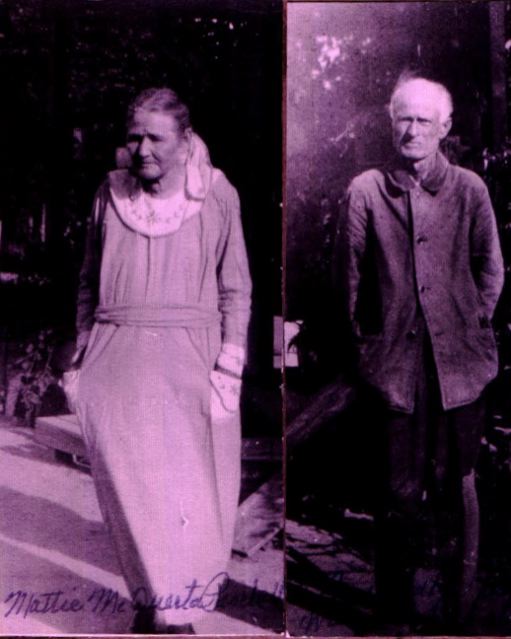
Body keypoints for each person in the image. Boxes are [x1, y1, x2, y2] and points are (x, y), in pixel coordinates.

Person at [71, 87, 252, 634]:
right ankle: (154, 603)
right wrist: (82, 349)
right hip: (117, 356)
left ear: (185, 140)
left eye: (156, 137)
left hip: (191, 356)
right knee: (131, 488)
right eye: (134, 137)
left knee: (191, 489)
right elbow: (87, 279)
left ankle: (179, 610)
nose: (143, 149)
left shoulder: (216, 194)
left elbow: (236, 287)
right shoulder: (109, 194)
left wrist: (230, 363)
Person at [338, 74, 504, 631]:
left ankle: (460, 611)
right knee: (397, 495)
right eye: (402, 119)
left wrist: (469, 326)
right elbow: (348, 281)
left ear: (444, 128)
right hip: (395, 371)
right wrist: (369, 348)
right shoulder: (366, 191)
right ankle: (395, 616)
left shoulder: (469, 190)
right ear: (391, 123)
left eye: (423, 121)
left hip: (459, 370)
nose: (411, 130)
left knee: (458, 486)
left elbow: (491, 270)